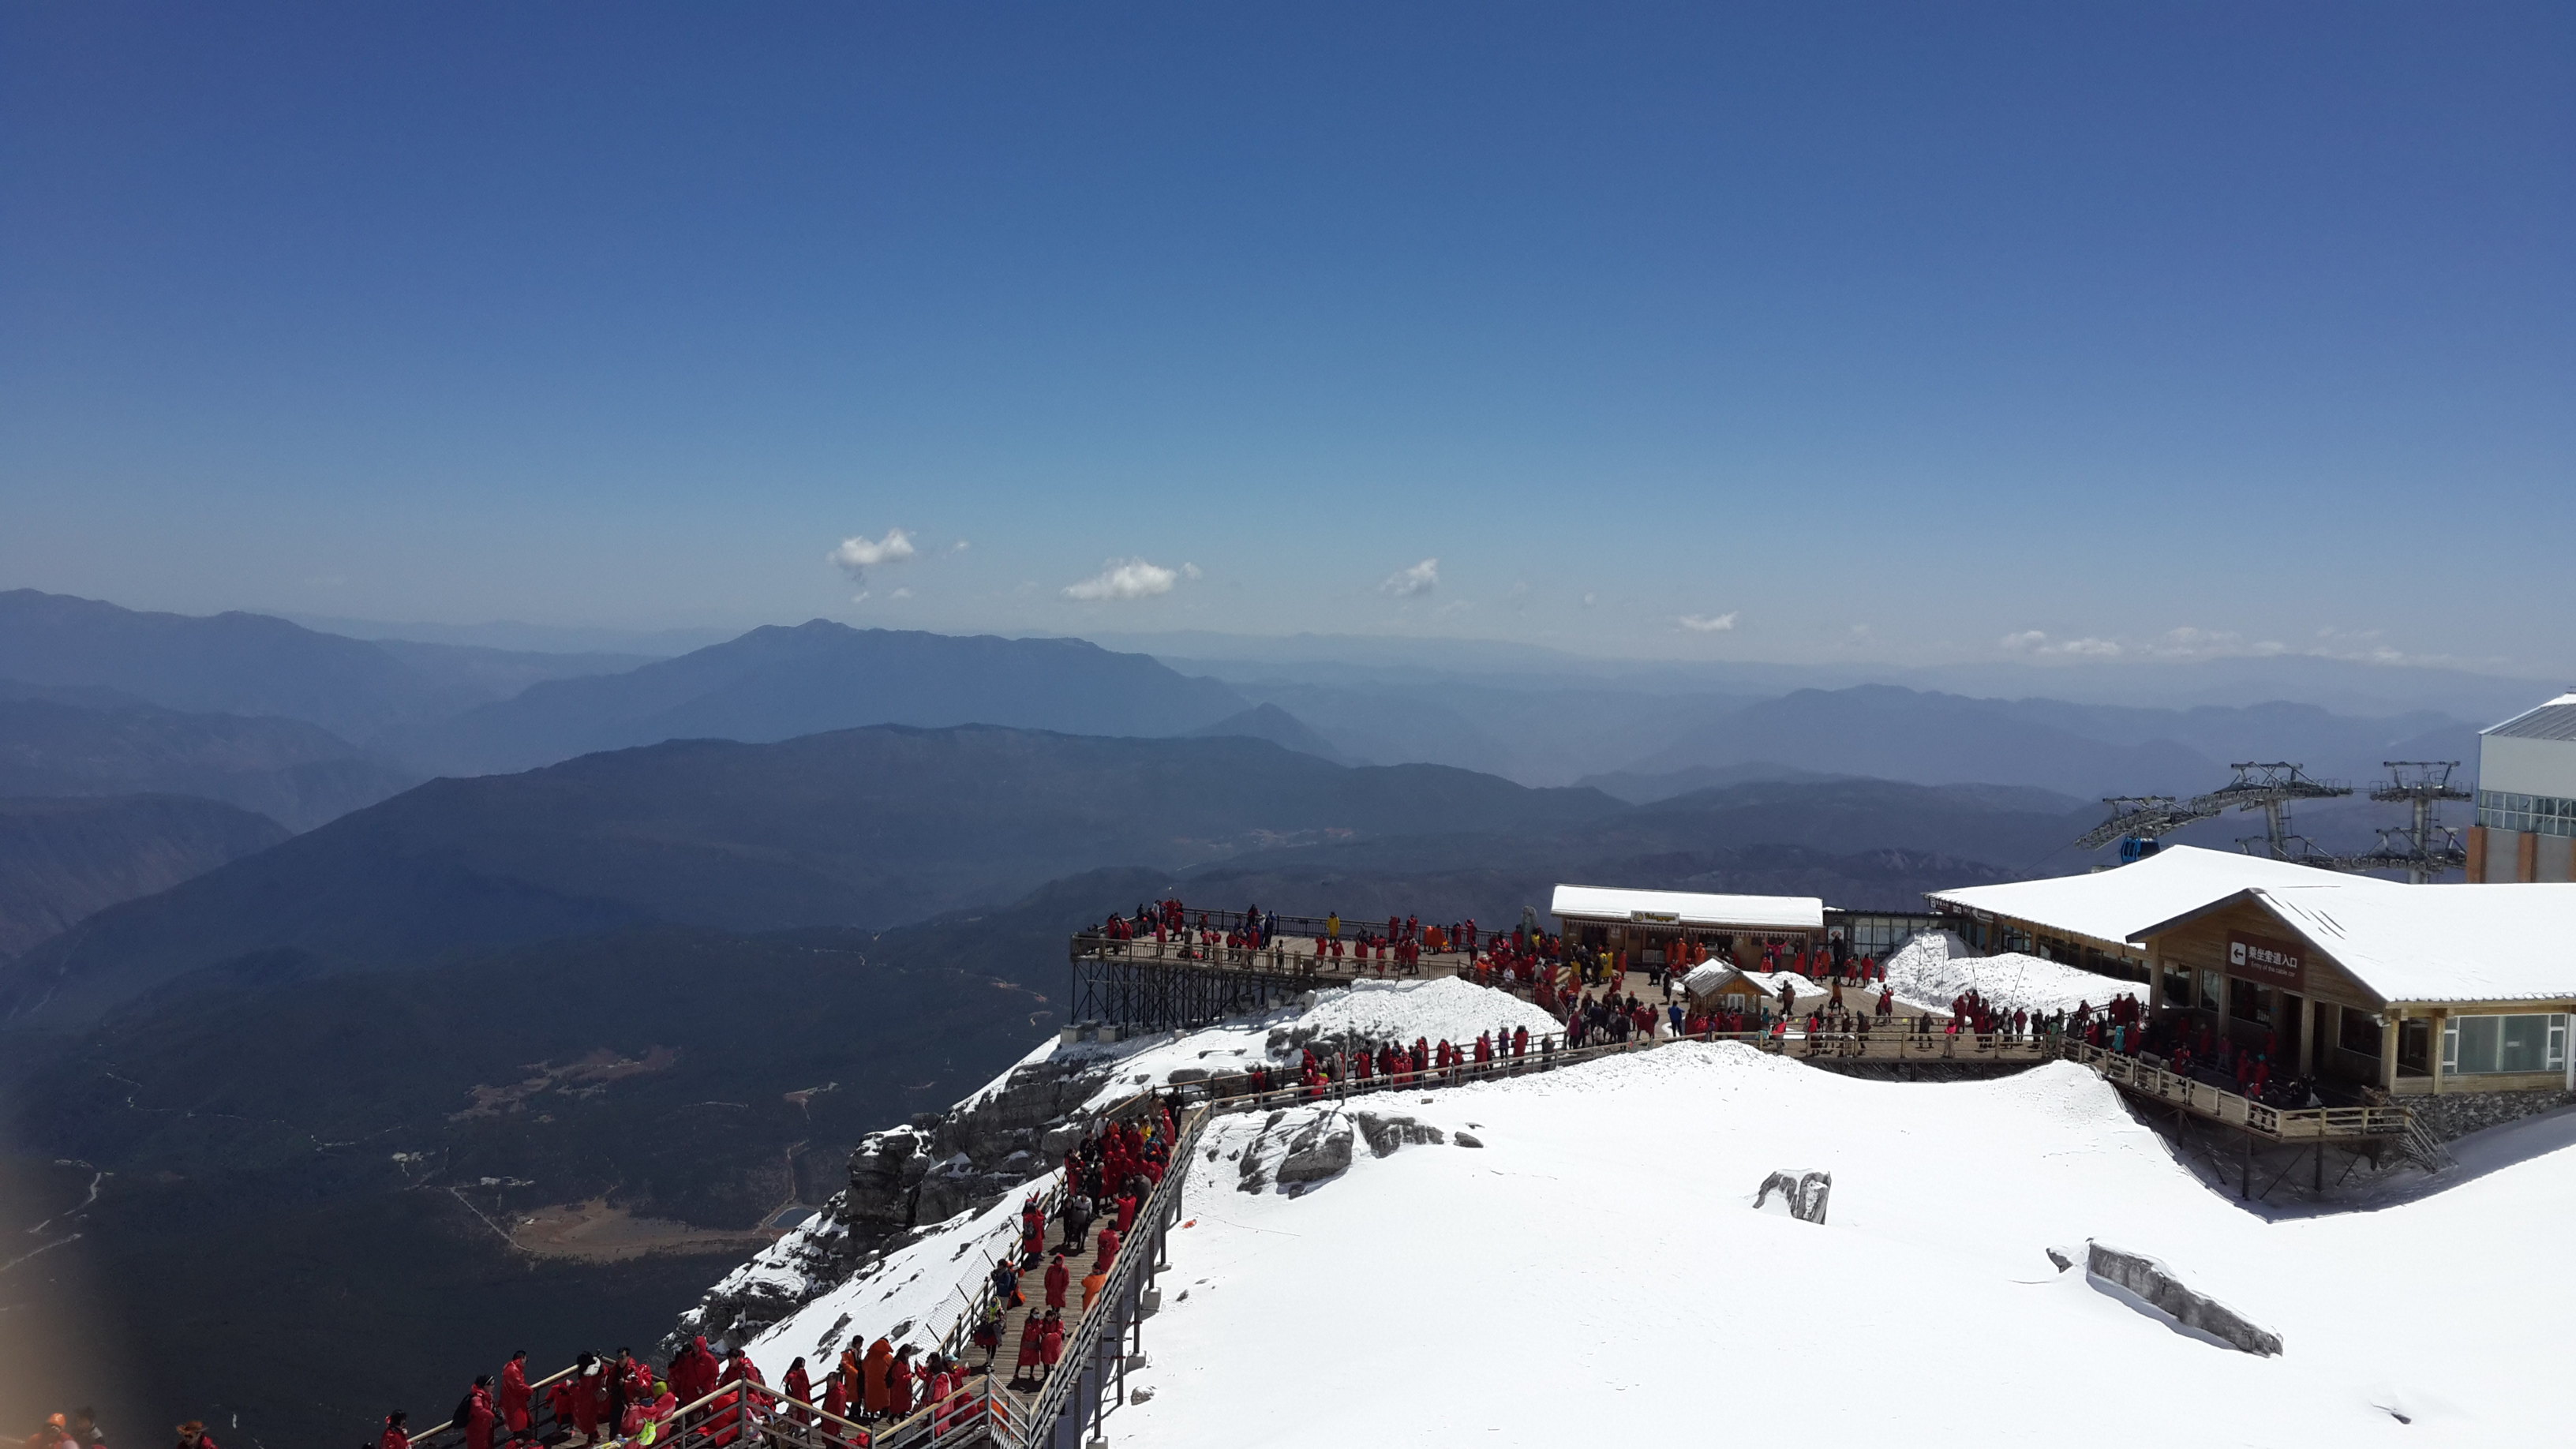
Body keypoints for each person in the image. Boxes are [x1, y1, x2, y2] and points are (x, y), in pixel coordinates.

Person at [454, 1377, 498, 1449]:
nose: (494, 1386)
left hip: (484, 1428)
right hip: (476, 1429)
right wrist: (491, 1415)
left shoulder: (487, 1396)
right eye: (492, 1385)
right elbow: (478, 1410)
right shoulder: (477, 1398)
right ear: (485, 1386)